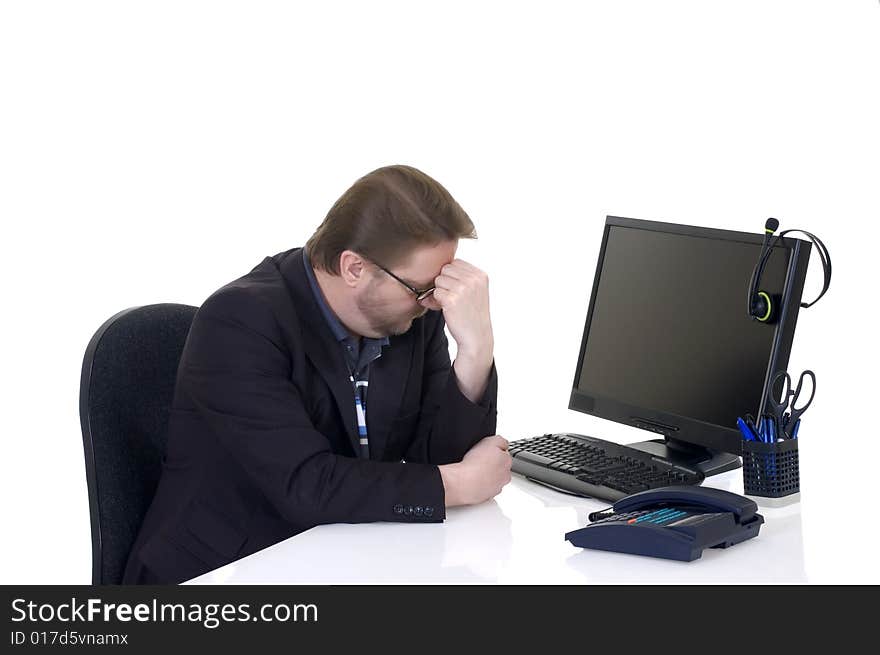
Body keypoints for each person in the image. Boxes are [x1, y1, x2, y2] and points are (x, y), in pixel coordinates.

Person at [122, 164, 512, 584]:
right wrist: (455, 485)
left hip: (337, 556)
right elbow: (306, 486)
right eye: (422, 289)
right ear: (354, 268)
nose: (433, 302)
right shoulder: (241, 322)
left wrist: (476, 351)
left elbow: (439, 459)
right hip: (225, 569)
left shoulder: (410, 317)